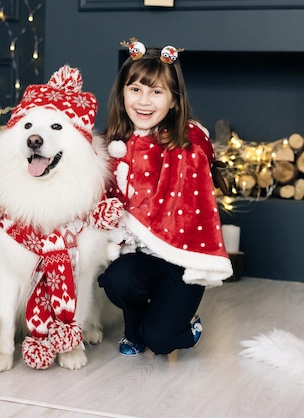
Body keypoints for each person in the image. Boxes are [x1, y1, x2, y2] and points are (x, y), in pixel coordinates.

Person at [99, 38, 233, 357]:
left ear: (173, 101)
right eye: (136, 89)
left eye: (156, 91)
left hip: (178, 259)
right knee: (119, 280)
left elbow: (198, 158)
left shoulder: (187, 143)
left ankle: (184, 325)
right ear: (122, 93)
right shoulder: (112, 145)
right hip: (138, 255)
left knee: (160, 342)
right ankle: (136, 329)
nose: (144, 101)